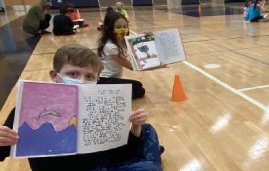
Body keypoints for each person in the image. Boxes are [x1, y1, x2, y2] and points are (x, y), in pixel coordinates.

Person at [0, 44, 164, 171]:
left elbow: (123, 153)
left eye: (89, 76)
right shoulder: (28, 109)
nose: (82, 80)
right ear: (54, 76)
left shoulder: (101, 107)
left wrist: (135, 126)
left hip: (100, 164)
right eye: (73, 74)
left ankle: (146, 150)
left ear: (97, 80)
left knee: (146, 129)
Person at [98, 12, 158, 99]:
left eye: (125, 26)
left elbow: (138, 44)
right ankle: (103, 96)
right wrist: (156, 65)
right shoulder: (110, 47)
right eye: (118, 27)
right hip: (103, 80)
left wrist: (148, 37)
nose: (122, 30)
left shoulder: (123, 40)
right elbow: (132, 66)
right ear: (110, 28)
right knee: (138, 88)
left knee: (138, 87)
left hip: (114, 79)